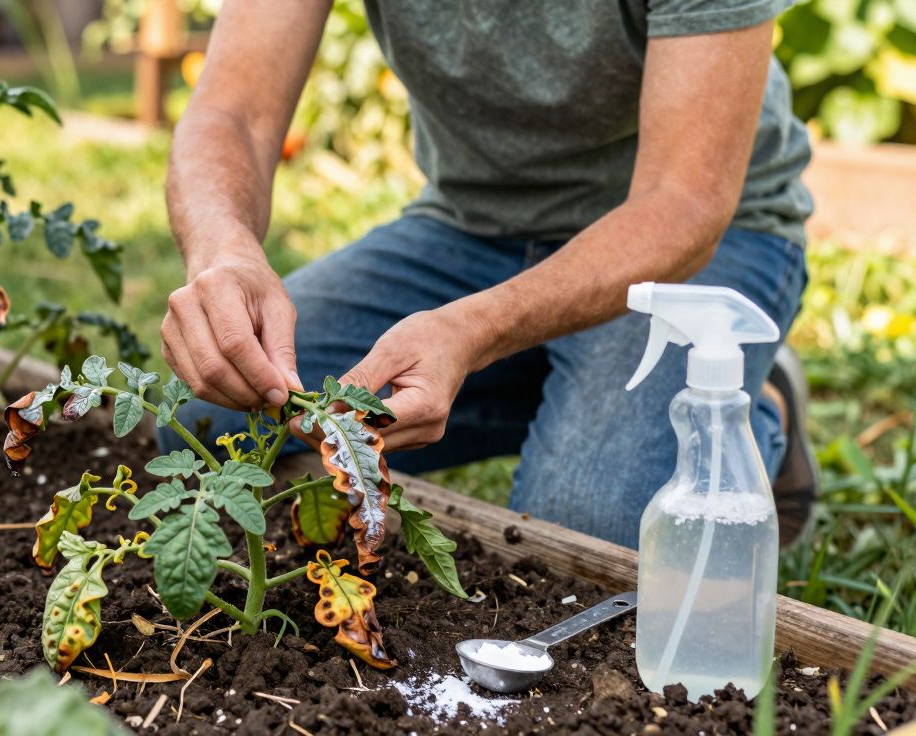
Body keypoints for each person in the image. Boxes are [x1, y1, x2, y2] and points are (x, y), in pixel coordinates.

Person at [157, 0, 819, 548]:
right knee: (213, 415)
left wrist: (476, 330)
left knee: (585, 531)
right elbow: (232, 111)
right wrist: (224, 250)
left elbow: (682, 203)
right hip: (472, 226)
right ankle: (581, 388)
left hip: (690, 241)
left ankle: (740, 414)